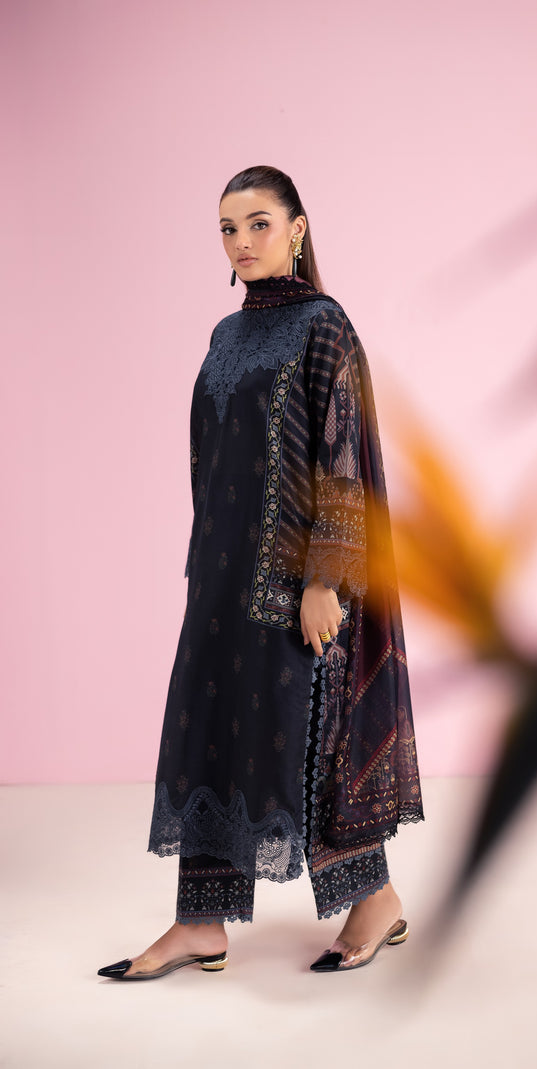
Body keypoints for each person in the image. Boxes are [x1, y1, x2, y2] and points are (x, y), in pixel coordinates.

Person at [98, 165, 424, 981]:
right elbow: (211, 460)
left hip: (295, 584)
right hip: (220, 578)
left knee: (312, 739)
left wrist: (323, 579)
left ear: (297, 229)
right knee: (207, 732)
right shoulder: (225, 335)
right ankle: (198, 923)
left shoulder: (324, 325)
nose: (241, 242)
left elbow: (341, 458)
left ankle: (374, 900)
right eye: (226, 228)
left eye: (258, 224)